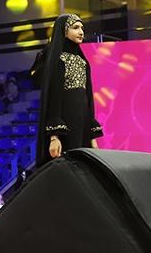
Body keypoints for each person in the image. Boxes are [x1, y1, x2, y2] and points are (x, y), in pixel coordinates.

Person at [36, 14, 102, 167]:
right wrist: (54, 137)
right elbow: (54, 98)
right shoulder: (58, 60)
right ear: (64, 31)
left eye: (82, 28)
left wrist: (92, 136)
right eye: (75, 28)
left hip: (82, 124)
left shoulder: (83, 62)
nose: (81, 32)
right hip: (66, 126)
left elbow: (88, 99)